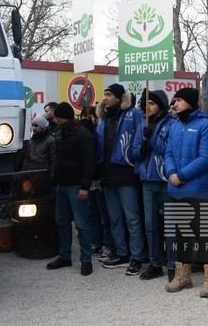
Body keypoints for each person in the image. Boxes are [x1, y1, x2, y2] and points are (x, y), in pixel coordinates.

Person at [163, 87, 208, 298]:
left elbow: (206, 159)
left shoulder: (206, 125)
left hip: (198, 190)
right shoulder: (175, 125)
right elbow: (168, 152)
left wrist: (182, 176)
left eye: (178, 100)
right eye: (173, 101)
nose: (174, 104)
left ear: (190, 102)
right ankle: (183, 276)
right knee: (180, 235)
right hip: (176, 189)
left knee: (205, 236)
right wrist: (171, 173)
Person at [95, 83, 146, 276]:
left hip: (126, 174)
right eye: (104, 94)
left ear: (118, 97)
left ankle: (137, 257)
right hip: (107, 175)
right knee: (114, 218)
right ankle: (122, 253)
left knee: (132, 218)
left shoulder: (133, 115)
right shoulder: (103, 119)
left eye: (108, 94)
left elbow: (139, 140)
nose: (105, 98)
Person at [45, 102, 95, 276]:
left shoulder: (82, 135)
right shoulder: (60, 134)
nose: (55, 121)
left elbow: (90, 162)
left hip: (76, 187)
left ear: (64, 118)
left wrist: (84, 187)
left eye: (57, 118)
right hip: (62, 185)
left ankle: (86, 260)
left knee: (82, 225)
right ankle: (65, 256)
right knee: (62, 222)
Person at [136, 89, 173, 280]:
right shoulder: (143, 123)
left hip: (166, 180)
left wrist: (152, 137)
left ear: (161, 105)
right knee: (150, 226)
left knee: (171, 224)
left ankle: (174, 265)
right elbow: (133, 153)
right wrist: (141, 148)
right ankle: (155, 263)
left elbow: (168, 150)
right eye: (145, 103)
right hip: (148, 181)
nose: (146, 106)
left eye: (151, 103)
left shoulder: (172, 123)